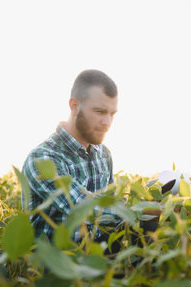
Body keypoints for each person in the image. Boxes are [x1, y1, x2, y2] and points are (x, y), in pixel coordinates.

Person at [22, 69, 159, 249]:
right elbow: (83, 210)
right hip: (57, 261)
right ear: (74, 105)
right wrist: (147, 210)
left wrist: (172, 207)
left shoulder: (103, 154)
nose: (107, 122)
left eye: (112, 114)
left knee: (152, 231)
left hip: (99, 251)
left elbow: (112, 206)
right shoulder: (43, 159)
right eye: (100, 112)